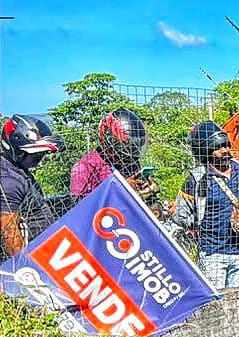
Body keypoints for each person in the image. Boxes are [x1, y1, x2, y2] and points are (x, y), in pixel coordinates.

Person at [174, 120, 239, 290]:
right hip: (212, 253)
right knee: (217, 306)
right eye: (218, 148)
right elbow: (181, 215)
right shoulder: (197, 179)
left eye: (226, 145)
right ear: (206, 151)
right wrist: (202, 226)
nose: (225, 150)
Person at [0, 114, 64, 258]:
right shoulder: (9, 180)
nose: (40, 158)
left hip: (46, 252)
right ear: (18, 151)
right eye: (36, 154)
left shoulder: (17, 171)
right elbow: (9, 233)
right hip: (33, 257)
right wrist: (24, 270)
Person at [70, 108, 157, 205]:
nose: (131, 152)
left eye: (134, 147)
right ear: (110, 139)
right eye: (127, 147)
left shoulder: (131, 162)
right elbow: (78, 208)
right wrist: (119, 188)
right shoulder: (84, 167)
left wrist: (147, 190)